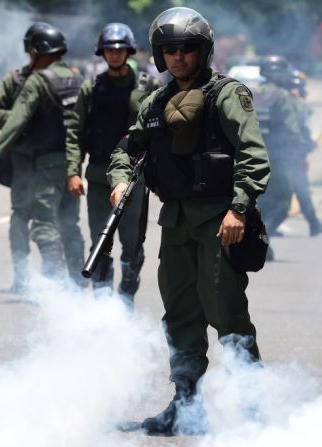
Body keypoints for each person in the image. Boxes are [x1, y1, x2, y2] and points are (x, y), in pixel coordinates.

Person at [107, 7, 270, 435]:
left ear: (203, 51)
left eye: (187, 48)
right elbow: (126, 148)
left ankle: (254, 413)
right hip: (175, 223)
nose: (178, 57)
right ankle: (185, 407)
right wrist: (121, 181)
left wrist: (239, 208)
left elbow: (252, 156)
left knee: (228, 315)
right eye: (169, 50)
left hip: (220, 221)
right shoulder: (156, 103)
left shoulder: (226, 95)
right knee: (179, 317)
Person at [0, 23, 86, 292]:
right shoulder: (17, 79)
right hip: (23, 163)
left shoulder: (50, 81)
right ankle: (23, 278)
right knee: (22, 216)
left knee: (55, 223)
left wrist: (20, 123)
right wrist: (23, 120)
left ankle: (63, 284)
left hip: (49, 164)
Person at [65, 22, 159, 304]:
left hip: (134, 178)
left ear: (129, 51)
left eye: (120, 49)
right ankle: (103, 303)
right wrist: (73, 172)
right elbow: (75, 132)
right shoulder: (91, 87)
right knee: (100, 240)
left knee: (132, 244)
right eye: (109, 50)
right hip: (97, 176)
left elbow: (158, 132)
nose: (115, 54)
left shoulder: (147, 85)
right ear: (102, 53)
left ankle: (126, 296)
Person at [255, 55, 322, 241]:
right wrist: (303, 150)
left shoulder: (253, 93)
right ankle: (261, 237)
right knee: (283, 203)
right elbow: (293, 128)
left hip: (259, 157)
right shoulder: (282, 96)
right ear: (278, 74)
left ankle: (264, 246)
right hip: (283, 157)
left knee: (265, 202)